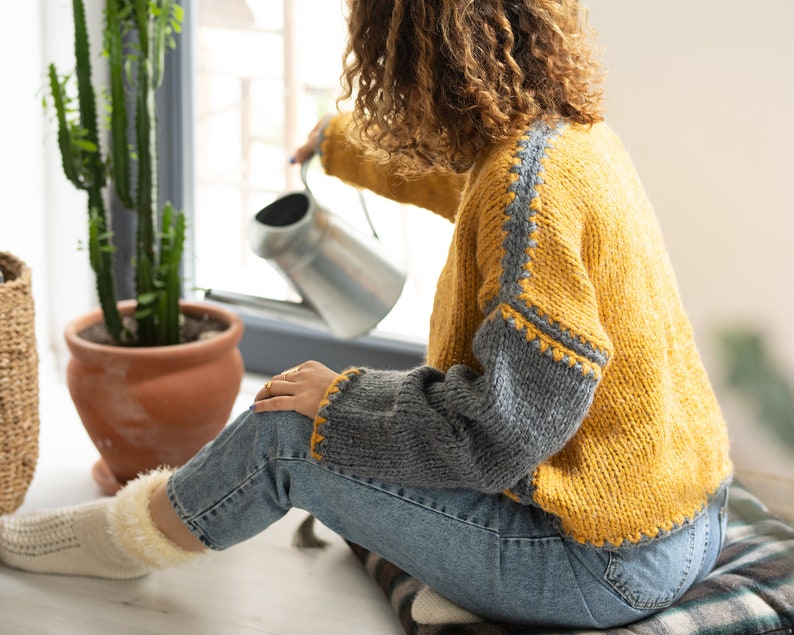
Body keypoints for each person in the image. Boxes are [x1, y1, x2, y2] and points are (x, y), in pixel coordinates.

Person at [0, 0, 732, 628]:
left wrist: (343, 400)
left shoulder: (527, 195)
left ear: (408, 52)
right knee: (363, 417)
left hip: (601, 566)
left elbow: (500, 433)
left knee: (288, 428)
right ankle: (472, 583)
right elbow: (453, 177)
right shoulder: (564, 141)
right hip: (688, 523)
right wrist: (339, 145)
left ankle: (125, 539)